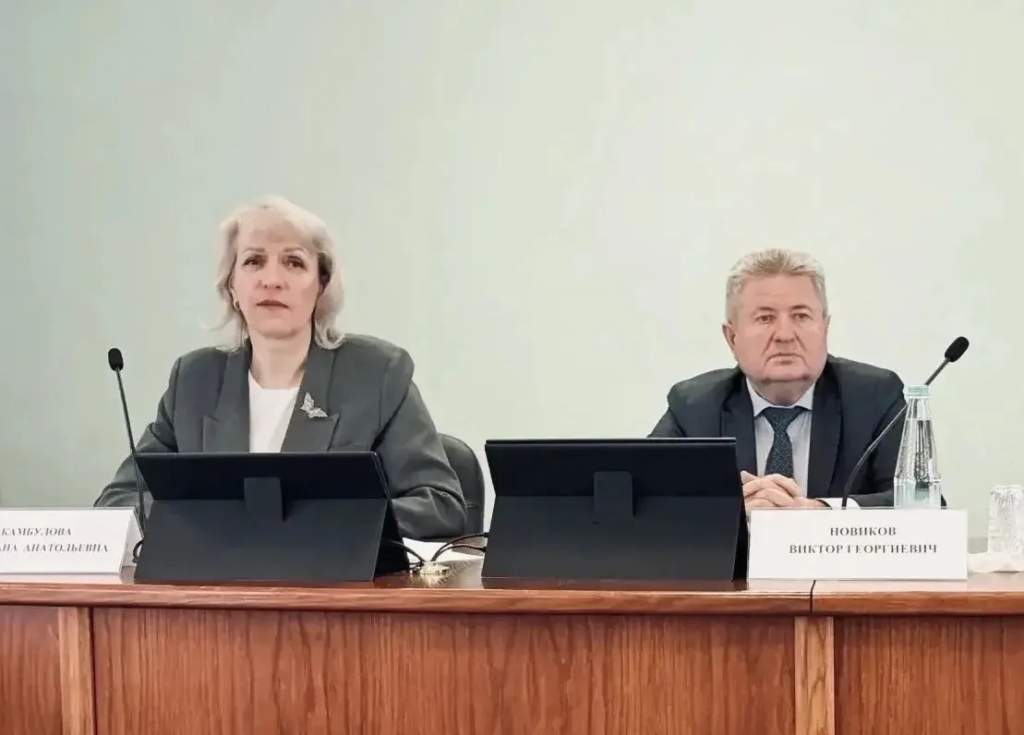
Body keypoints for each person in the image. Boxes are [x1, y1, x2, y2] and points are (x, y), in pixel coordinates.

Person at [96, 196, 466, 538]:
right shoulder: (194, 381)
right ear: (232, 285)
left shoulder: (376, 375)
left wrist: (318, 523)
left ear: (321, 284)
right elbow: (118, 502)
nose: (272, 280)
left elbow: (440, 505)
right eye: (253, 261)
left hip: (332, 582)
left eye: (293, 262)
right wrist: (208, 519)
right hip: (218, 583)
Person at [650, 249, 904, 510]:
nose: (785, 335)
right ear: (732, 337)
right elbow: (644, 499)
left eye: (801, 316)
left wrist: (819, 512)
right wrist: (729, 513)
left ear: (825, 329)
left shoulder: (875, 398)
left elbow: (915, 501)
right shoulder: (695, 408)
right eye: (765, 318)